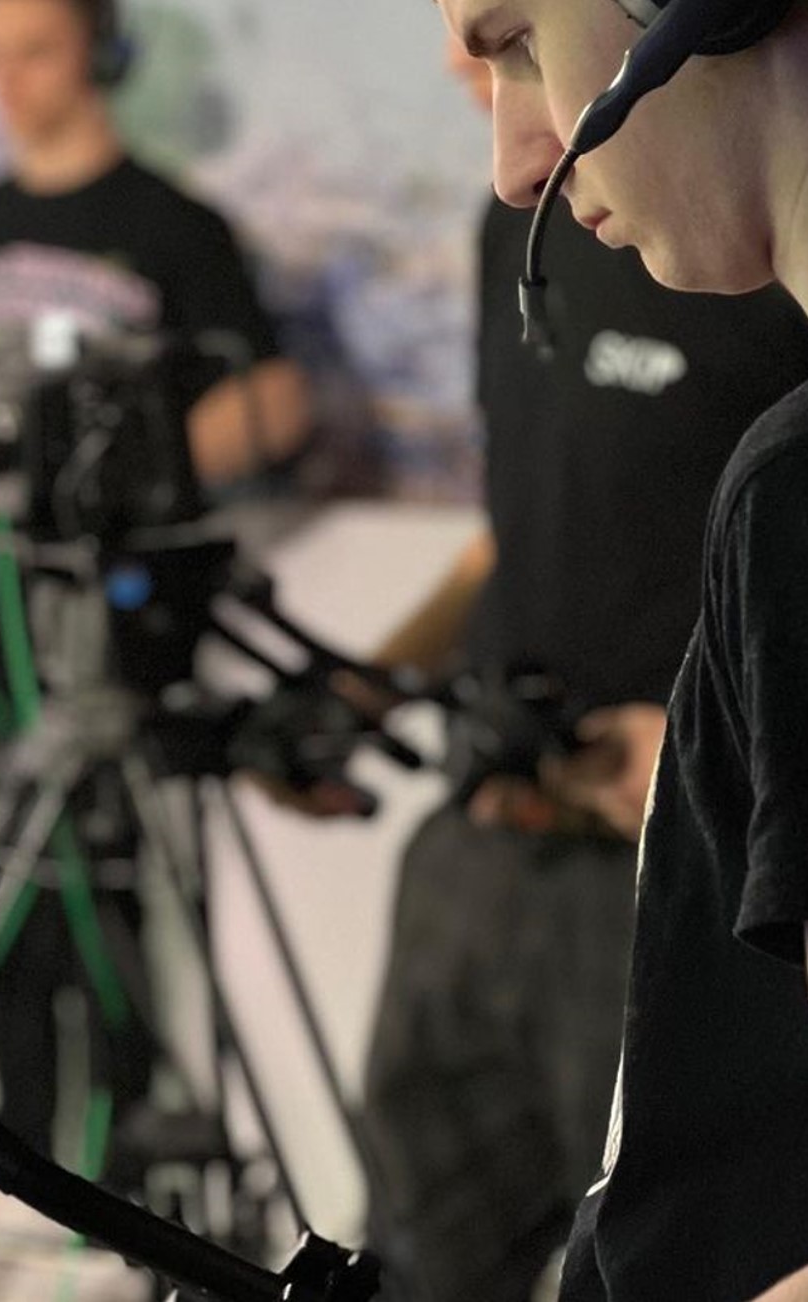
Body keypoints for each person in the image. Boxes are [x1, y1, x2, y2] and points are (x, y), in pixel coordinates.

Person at [295, 34, 808, 1302]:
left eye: (521, 39)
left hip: (650, 877)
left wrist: (711, 766)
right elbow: (507, 527)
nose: (518, 159)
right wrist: (360, 687)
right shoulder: (528, 236)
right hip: (480, 834)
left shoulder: (753, 346)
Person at [0, 0, 312, 1177]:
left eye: (37, 51)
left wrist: (136, 468)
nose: (11, 80)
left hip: (108, 647)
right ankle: (19, 1167)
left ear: (101, 54)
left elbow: (275, 398)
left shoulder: (173, 226)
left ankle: (120, 1176)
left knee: (109, 926)